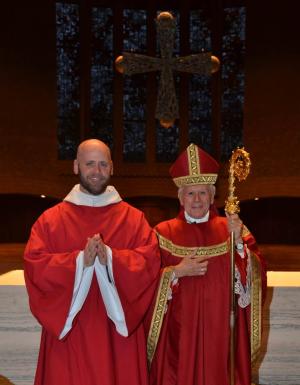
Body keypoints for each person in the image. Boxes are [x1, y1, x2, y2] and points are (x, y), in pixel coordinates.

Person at [24, 139, 160, 385]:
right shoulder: (50, 221)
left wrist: (112, 259)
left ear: (112, 167)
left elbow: (149, 263)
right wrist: (78, 262)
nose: (96, 172)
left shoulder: (134, 219)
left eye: (102, 164)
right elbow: (35, 266)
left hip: (119, 339)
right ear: (76, 166)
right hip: (71, 335)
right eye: (89, 164)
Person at [147, 143, 267, 385]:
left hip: (221, 327)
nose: (197, 199)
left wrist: (239, 245)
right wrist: (175, 272)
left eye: (203, 193)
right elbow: (145, 279)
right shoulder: (162, 233)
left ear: (213, 196)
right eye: (190, 193)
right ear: (181, 197)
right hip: (178, 333)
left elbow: (256, 273)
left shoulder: (232, 228)